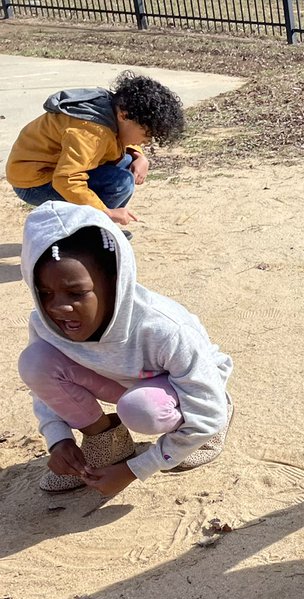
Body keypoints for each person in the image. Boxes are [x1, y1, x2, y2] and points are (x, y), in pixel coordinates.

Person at [18, 202, 232, 496]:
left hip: (182, 389)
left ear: (114, 282)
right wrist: (59, 439)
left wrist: (136, 469)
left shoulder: (163, 328)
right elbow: (42, 383)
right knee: (35, 362)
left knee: (142, 409)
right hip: (122, 383)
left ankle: (214, 417)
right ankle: (106, 444)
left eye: (77, 293)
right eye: (45, 294)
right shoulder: (45, 324)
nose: (58, 307)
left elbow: (205, 409)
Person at [6, 71, 185, 228]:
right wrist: (106, 212)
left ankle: (91, 225)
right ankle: (87, 233)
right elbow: (66, 179)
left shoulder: (113, 109)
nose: (146, 142)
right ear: (124, 115)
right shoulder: (90, 132)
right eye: (145, 135)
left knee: (127, 162)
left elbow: (123, 136)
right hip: (32, 181)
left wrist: (139, 155)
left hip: (54, 168)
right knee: (121, 182)